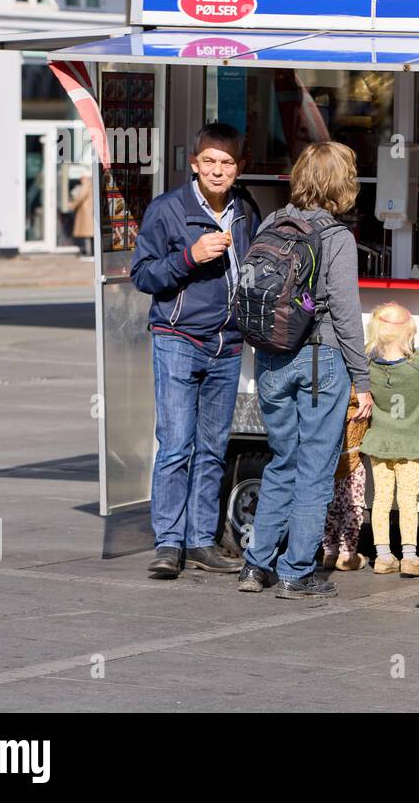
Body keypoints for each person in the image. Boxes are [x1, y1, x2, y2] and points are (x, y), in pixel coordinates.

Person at [238, 142, 372, 599]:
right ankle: (296, 571)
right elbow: (346, 313)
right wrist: (364, 379)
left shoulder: (273, 222)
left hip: (272, 356)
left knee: (282, 461)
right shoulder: (336, 237)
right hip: (321, 361)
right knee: (315, 468)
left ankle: (256, 566)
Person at [132, 122, 260, 580]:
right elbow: (143, 275)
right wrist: (190, 256)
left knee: (212, 448)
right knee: (175, 445)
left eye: (227, 163)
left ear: (239, 167)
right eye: (209, 161)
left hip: (227, 343)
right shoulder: (168, 209)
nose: (218, 170)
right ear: (194, 163)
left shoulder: (245, 209)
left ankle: (201, 539)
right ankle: (168, 543)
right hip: (178, 339)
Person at [360, 302, 419, 578]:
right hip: (409, 443)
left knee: (381, 499)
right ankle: (409, 557)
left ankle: (382, 556)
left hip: (380, 443)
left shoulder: (368, 366)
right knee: (408, 500)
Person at [323, 398, 371, 572]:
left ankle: (329, 552)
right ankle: (347, 554)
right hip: (354, 457)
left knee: (332, 505)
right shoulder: (359, 393)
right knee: (353, 506)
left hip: (333, 457)